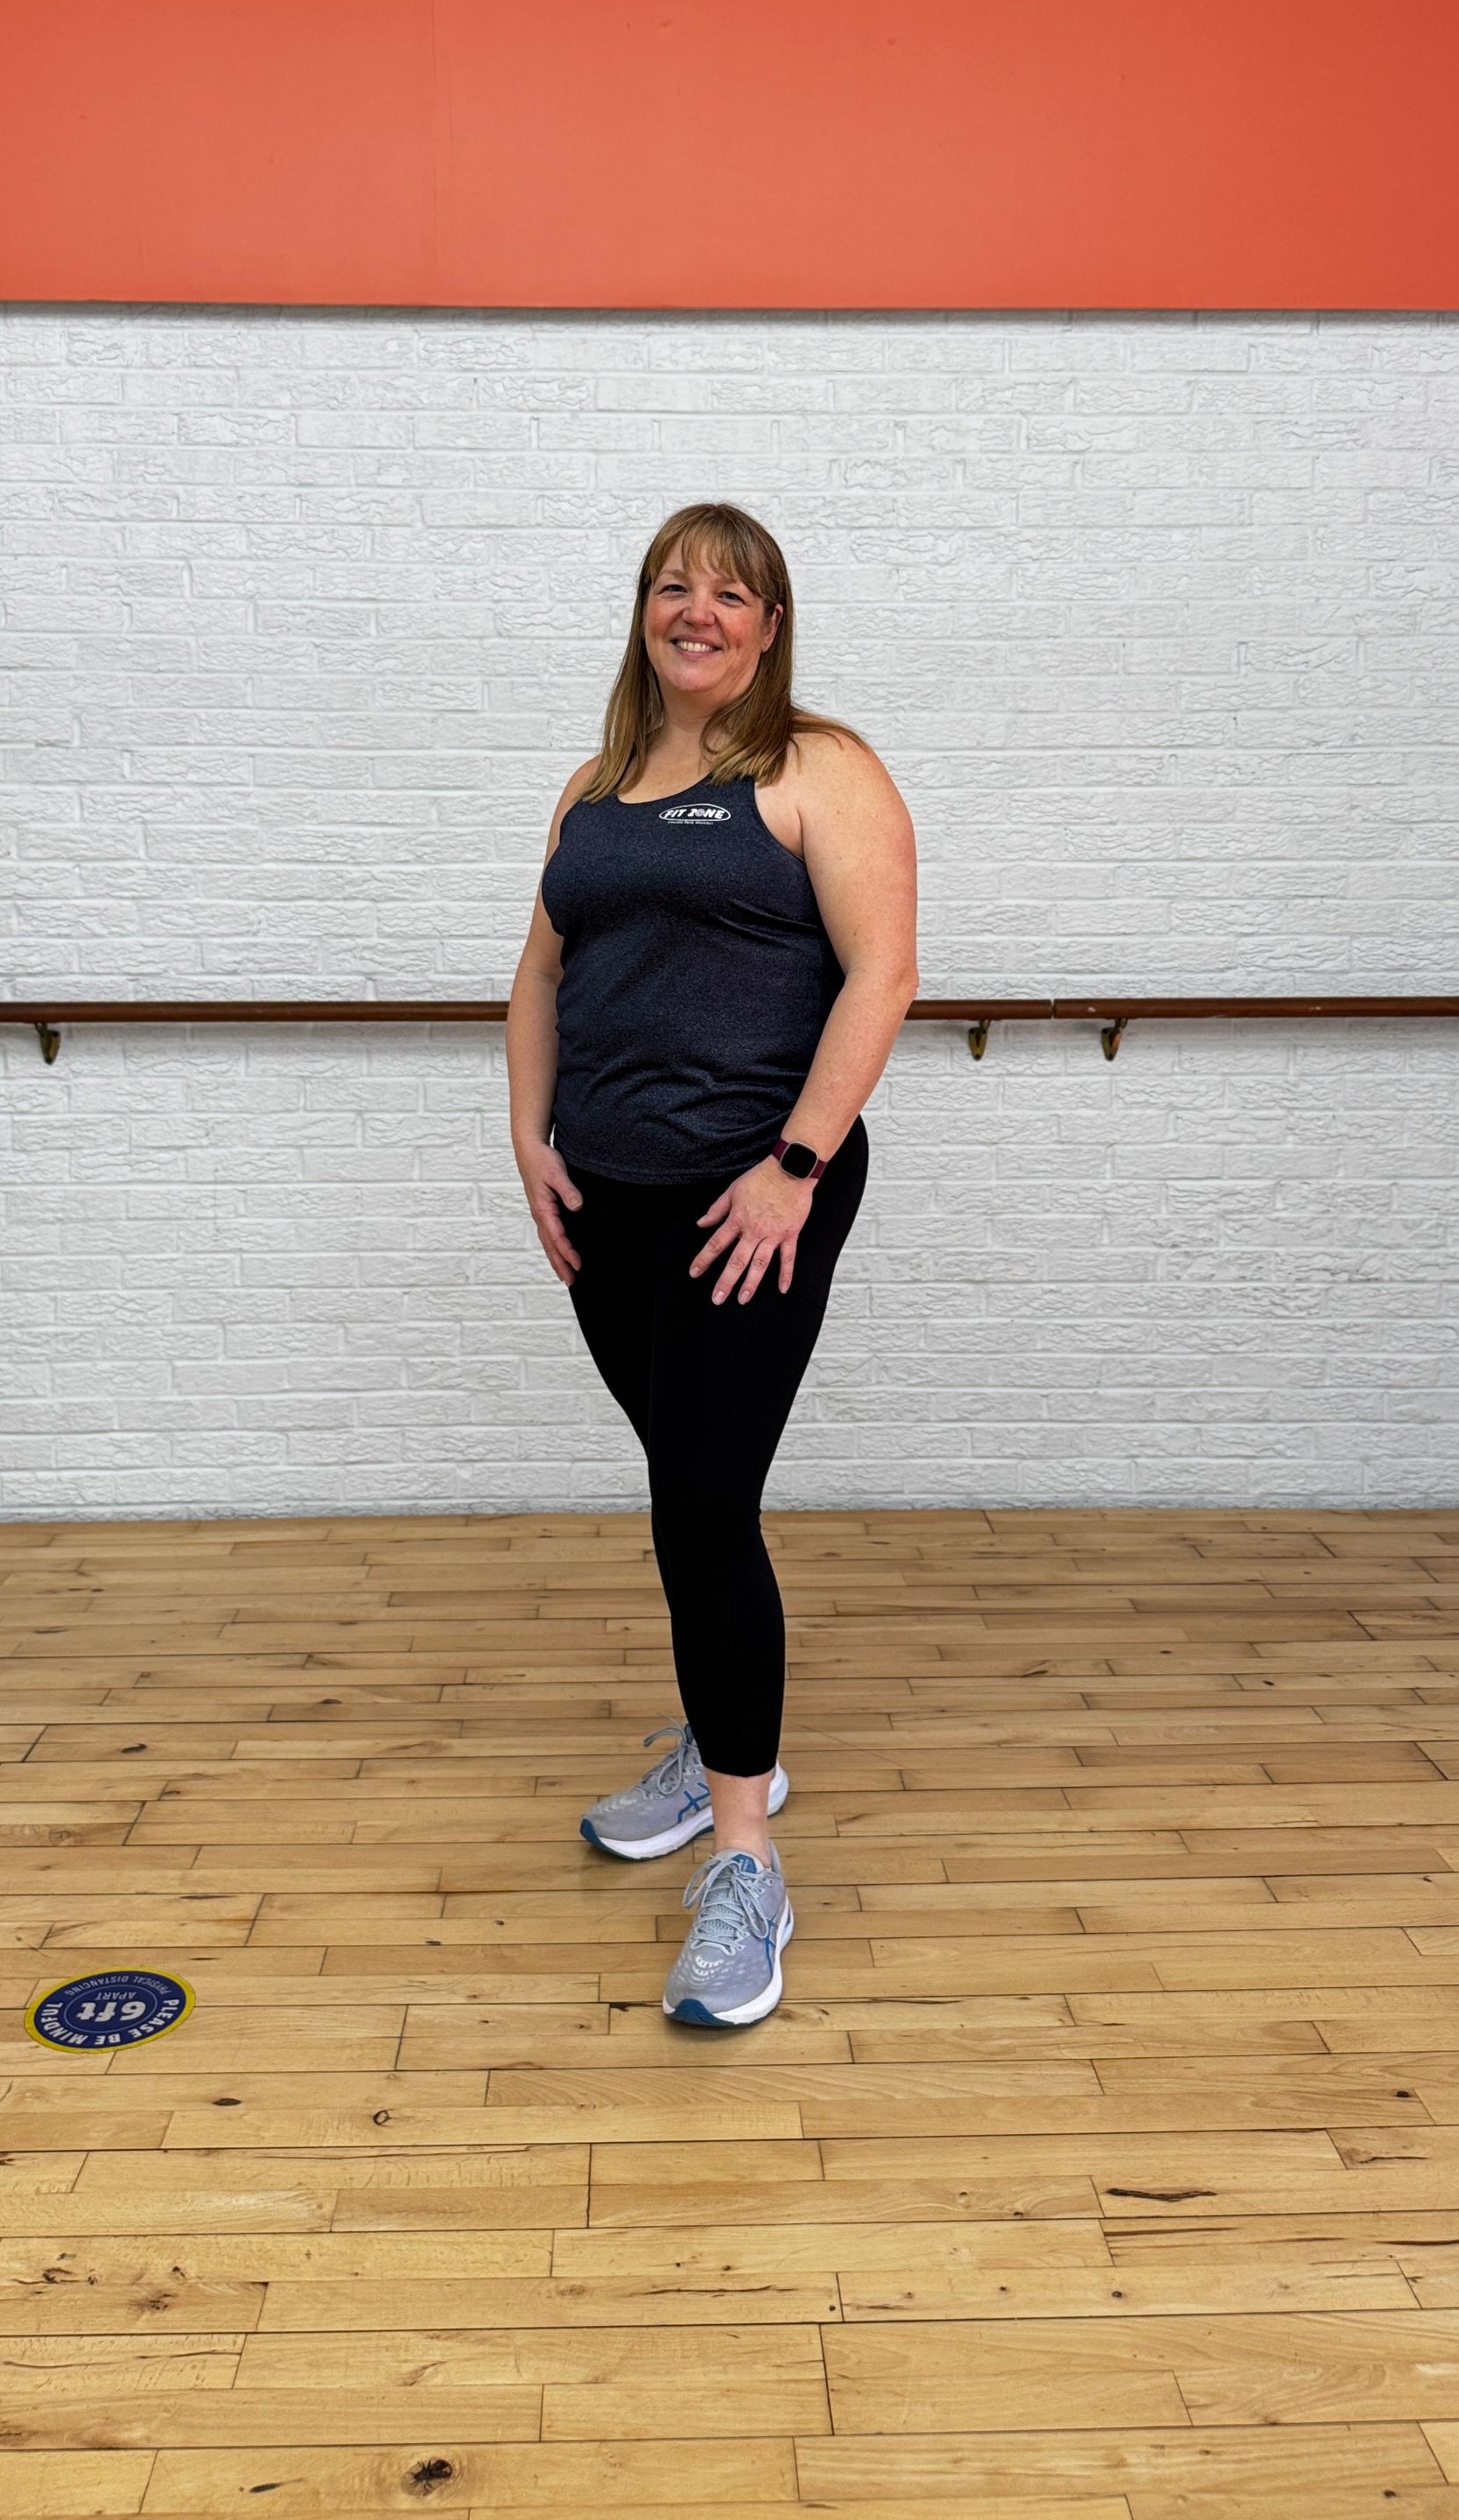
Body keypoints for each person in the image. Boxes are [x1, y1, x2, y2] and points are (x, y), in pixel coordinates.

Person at [506, 503, 918, 2027]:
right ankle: (720, 1734)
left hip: (751, 1191)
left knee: (699, 1504)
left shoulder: (817, 769)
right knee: (685, 1487)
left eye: (728, 593)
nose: (698, 610)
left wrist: (795, 1167)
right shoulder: (595, 789)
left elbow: (886, 969)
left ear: (769, 624)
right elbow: (540, 971)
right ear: (643, 616)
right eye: (673, 586)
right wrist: (528, 1139)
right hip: (602, 1193)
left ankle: (745, 1853)